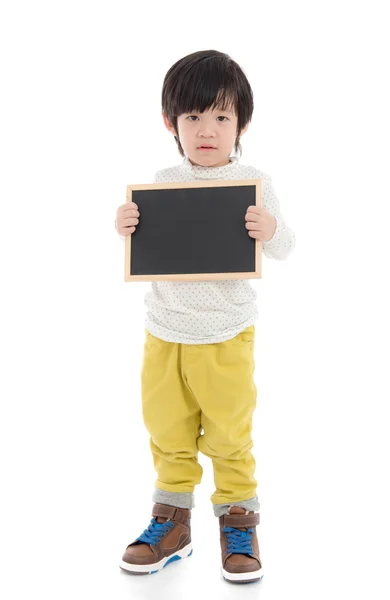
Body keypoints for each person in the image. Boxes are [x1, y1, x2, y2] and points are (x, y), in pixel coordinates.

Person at [115, 49, 296, 584]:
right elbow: (146, 246)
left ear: (241, 121)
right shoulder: (162, 180)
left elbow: (286, 244)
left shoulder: (254, 182)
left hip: (224, 336)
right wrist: (126, 223)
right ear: (172, 123)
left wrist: (270, 230)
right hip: (163, 334)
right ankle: (171, 523)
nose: (207, 130)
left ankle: (238, 519)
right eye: (193, 117)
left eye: (221, 116)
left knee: (229, 433)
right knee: (166, 430)